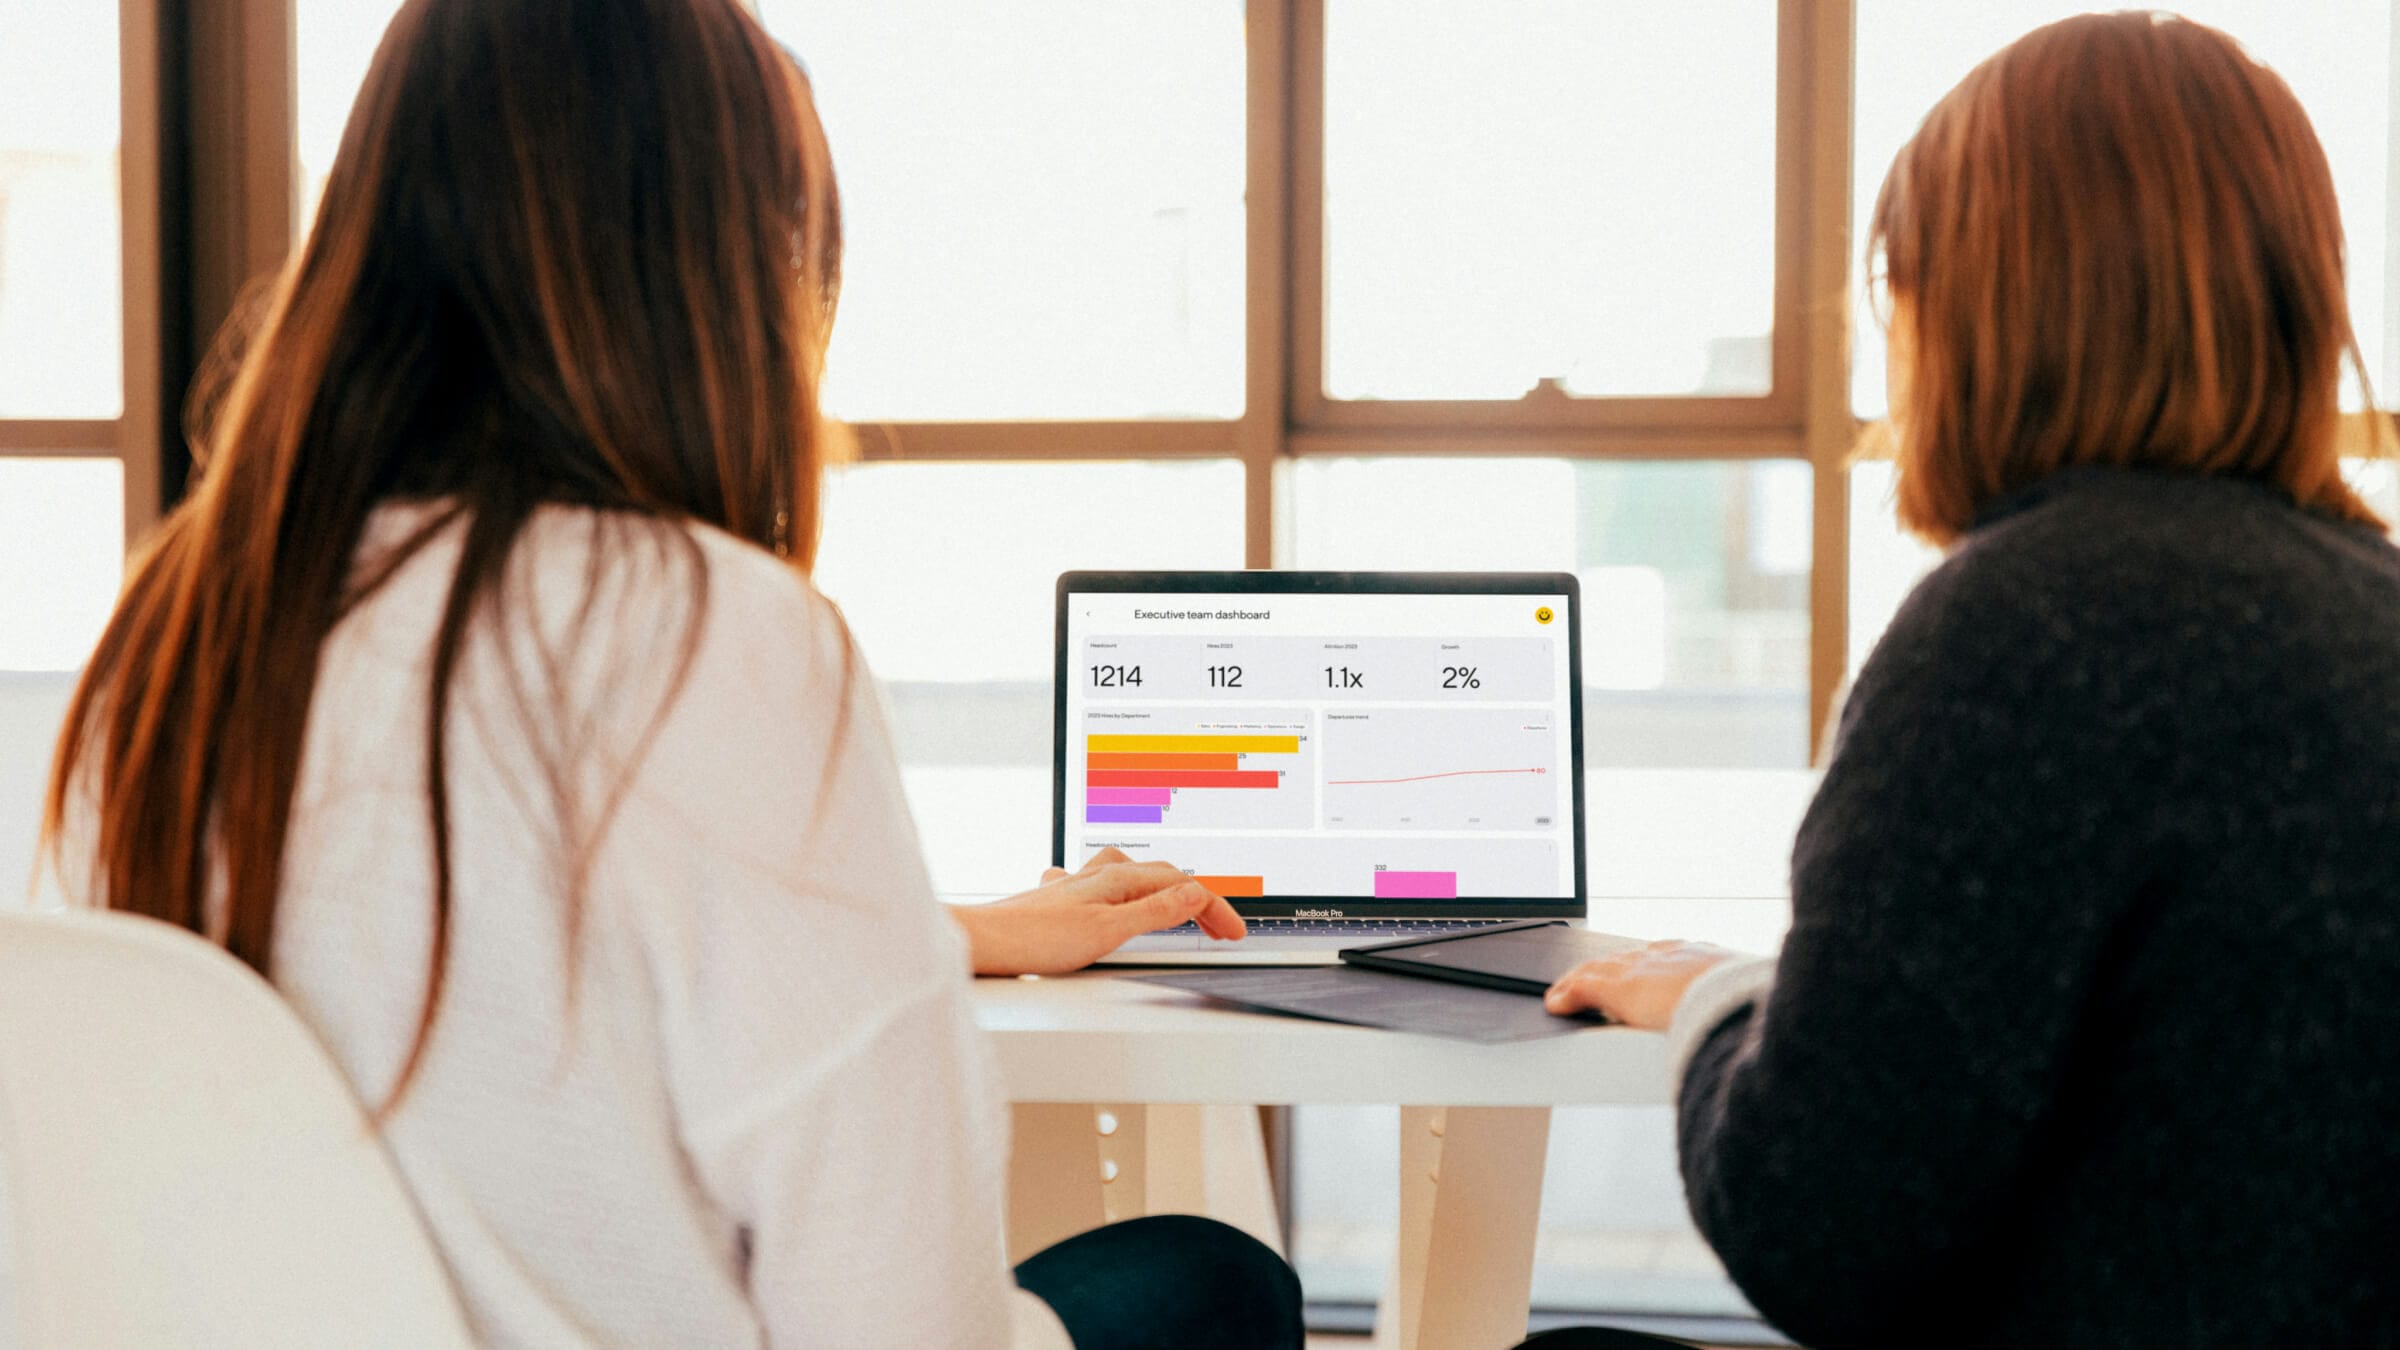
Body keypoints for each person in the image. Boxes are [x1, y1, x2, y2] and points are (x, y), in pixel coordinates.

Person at [41, 1, 1296, 1346]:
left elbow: (480, 966)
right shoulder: (713, 635)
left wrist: (951, 934)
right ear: (719, 276)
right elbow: (899, 1317)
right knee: (1215, 1280)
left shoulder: (173, 633)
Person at [1530, 12, 2400, 1349]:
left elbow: (1814, 1224)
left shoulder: (2022, 626)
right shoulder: (2373, 601)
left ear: (1975, 307)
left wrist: (1718, 1002)